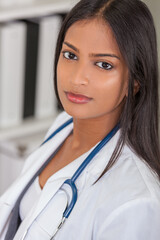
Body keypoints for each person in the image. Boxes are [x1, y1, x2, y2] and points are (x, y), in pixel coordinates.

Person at [1, 0, 160, 239]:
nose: (78, 78)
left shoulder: (135, 202)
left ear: (135, 80)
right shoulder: (63, 125)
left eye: (104, 64)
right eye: (70, 55)